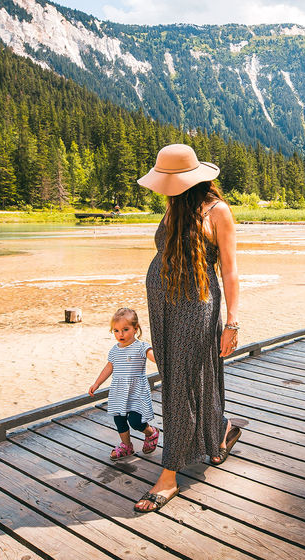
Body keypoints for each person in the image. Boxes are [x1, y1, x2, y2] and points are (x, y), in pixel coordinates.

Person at [133, 143, 241, 513]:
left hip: (196, 305)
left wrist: (232, 322)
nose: (163, 189)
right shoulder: (174, 205)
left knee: (179, 383)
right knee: (186, 376)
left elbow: (229, 270)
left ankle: (169, 475)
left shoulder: (218, 211)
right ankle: (219, 431)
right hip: (163, 305)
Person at [88, 308, 160, 461]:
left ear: (135, 329)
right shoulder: (114, 350)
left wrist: (165, 361)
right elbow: (109, 367)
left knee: (135, 421)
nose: (120, 334)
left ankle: (150, 432)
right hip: (119, 392)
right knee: (119, 419)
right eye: (116, 330)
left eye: (125, 329)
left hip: (136, 392)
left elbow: (153, 356)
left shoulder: (141, 347)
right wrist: (97, 383)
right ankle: (126, 445)